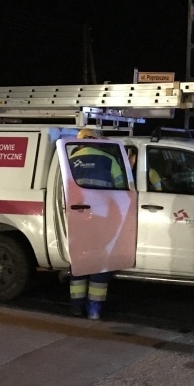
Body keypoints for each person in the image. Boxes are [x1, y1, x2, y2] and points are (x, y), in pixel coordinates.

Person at [67, 127, 125, 319]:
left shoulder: (70, 160)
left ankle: (76, 308)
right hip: (101, 219)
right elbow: (122, 188)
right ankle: (94, 310)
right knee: (99, 263)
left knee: (79, 261)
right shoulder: (109, 159)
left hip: (77, 218)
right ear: (95, 141)